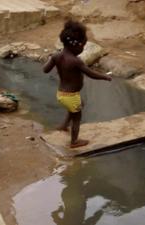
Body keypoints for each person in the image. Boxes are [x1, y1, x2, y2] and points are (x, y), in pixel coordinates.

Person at [43, 20, 111, 148]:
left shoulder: (56, 56)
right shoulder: (76, 61)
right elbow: (91, 74)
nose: (83, 49)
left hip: (61, 94)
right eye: (83, 46)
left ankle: (63, 126)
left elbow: (45, 70)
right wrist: (104, 77)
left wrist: (51, 58)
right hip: (71, 96)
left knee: (76, 106)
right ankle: (74, 141)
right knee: (77, 117)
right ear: (76, 45)